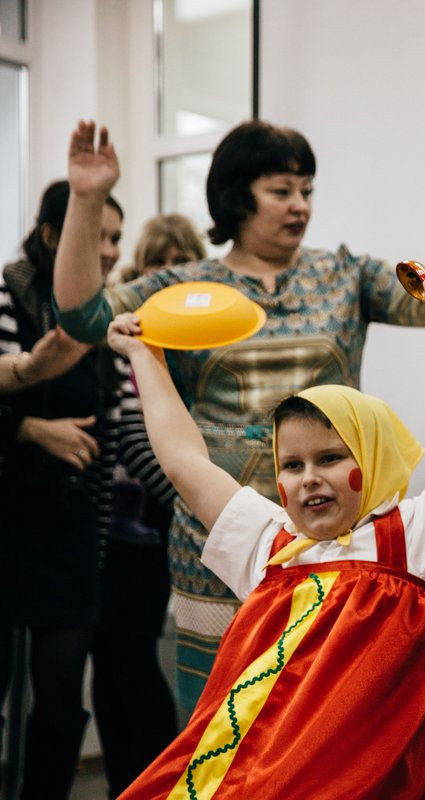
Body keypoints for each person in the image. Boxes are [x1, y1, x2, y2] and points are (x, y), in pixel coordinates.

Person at [53, 119, 425, 709]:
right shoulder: (183, 287)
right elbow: (83, 317)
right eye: (282, 190)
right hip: (220, 545)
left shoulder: (343, 276)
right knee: (219, 728)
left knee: (320, 714)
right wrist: (87, 197)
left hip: (334, 546)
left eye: (307, 190)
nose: (300, 205)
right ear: (235, 196)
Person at [109, 250, 425, 799]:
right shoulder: (272, 544)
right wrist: (145, 355)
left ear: (373, 455)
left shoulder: (414, 539)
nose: (309, 478)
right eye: (292, 465)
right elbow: (185, 461)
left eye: (331, 458)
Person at [0, 179, 121, 799]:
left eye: (116, 239)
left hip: (69, 532)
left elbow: (114, 434)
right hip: (5, 522)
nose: (107, 250)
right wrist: (26, 428)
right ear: (52, 234)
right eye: (95, 234)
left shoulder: (104, 320)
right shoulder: (7, 290)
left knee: (60, 692)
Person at [90, 213, 208, 797]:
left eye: (180, 263)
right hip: (115, 525)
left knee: (134, 659)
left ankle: (156, 784)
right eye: (158, 262)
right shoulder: (127, 334)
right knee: (115, 662)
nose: (167, 275)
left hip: (158, 525)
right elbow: (134, 439)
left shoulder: (198, 340)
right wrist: (196, 503)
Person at [105, 212, 206, 286]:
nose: (169, 271)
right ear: (140, 268)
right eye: (158, 262)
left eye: (181, 261)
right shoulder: (119, 303)